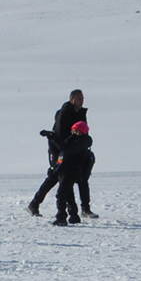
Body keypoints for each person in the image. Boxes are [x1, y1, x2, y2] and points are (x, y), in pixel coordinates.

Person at [27, 89, 87, 217]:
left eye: (82, 98)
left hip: (72, 150)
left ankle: (82, 209)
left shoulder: (81, 113)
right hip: (58, 150)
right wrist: (63, 150)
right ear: (72, 99)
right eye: (78, 98)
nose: (81, 101)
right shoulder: (64, 113)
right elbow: (59, 135)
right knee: (59, 176)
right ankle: (68, 211)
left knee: (73, 177)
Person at [53, 122, 94, 227]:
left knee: (61, 194)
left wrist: (53, 138)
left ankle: (61, 217)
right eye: (73, 130)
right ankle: (74, 216)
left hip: (72, 172)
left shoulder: (81, 142)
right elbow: (63, 153)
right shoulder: (72, 140)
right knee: (68, 195)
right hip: (65, 171)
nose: (74, 132)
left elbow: (66, 150)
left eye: (77, 130)